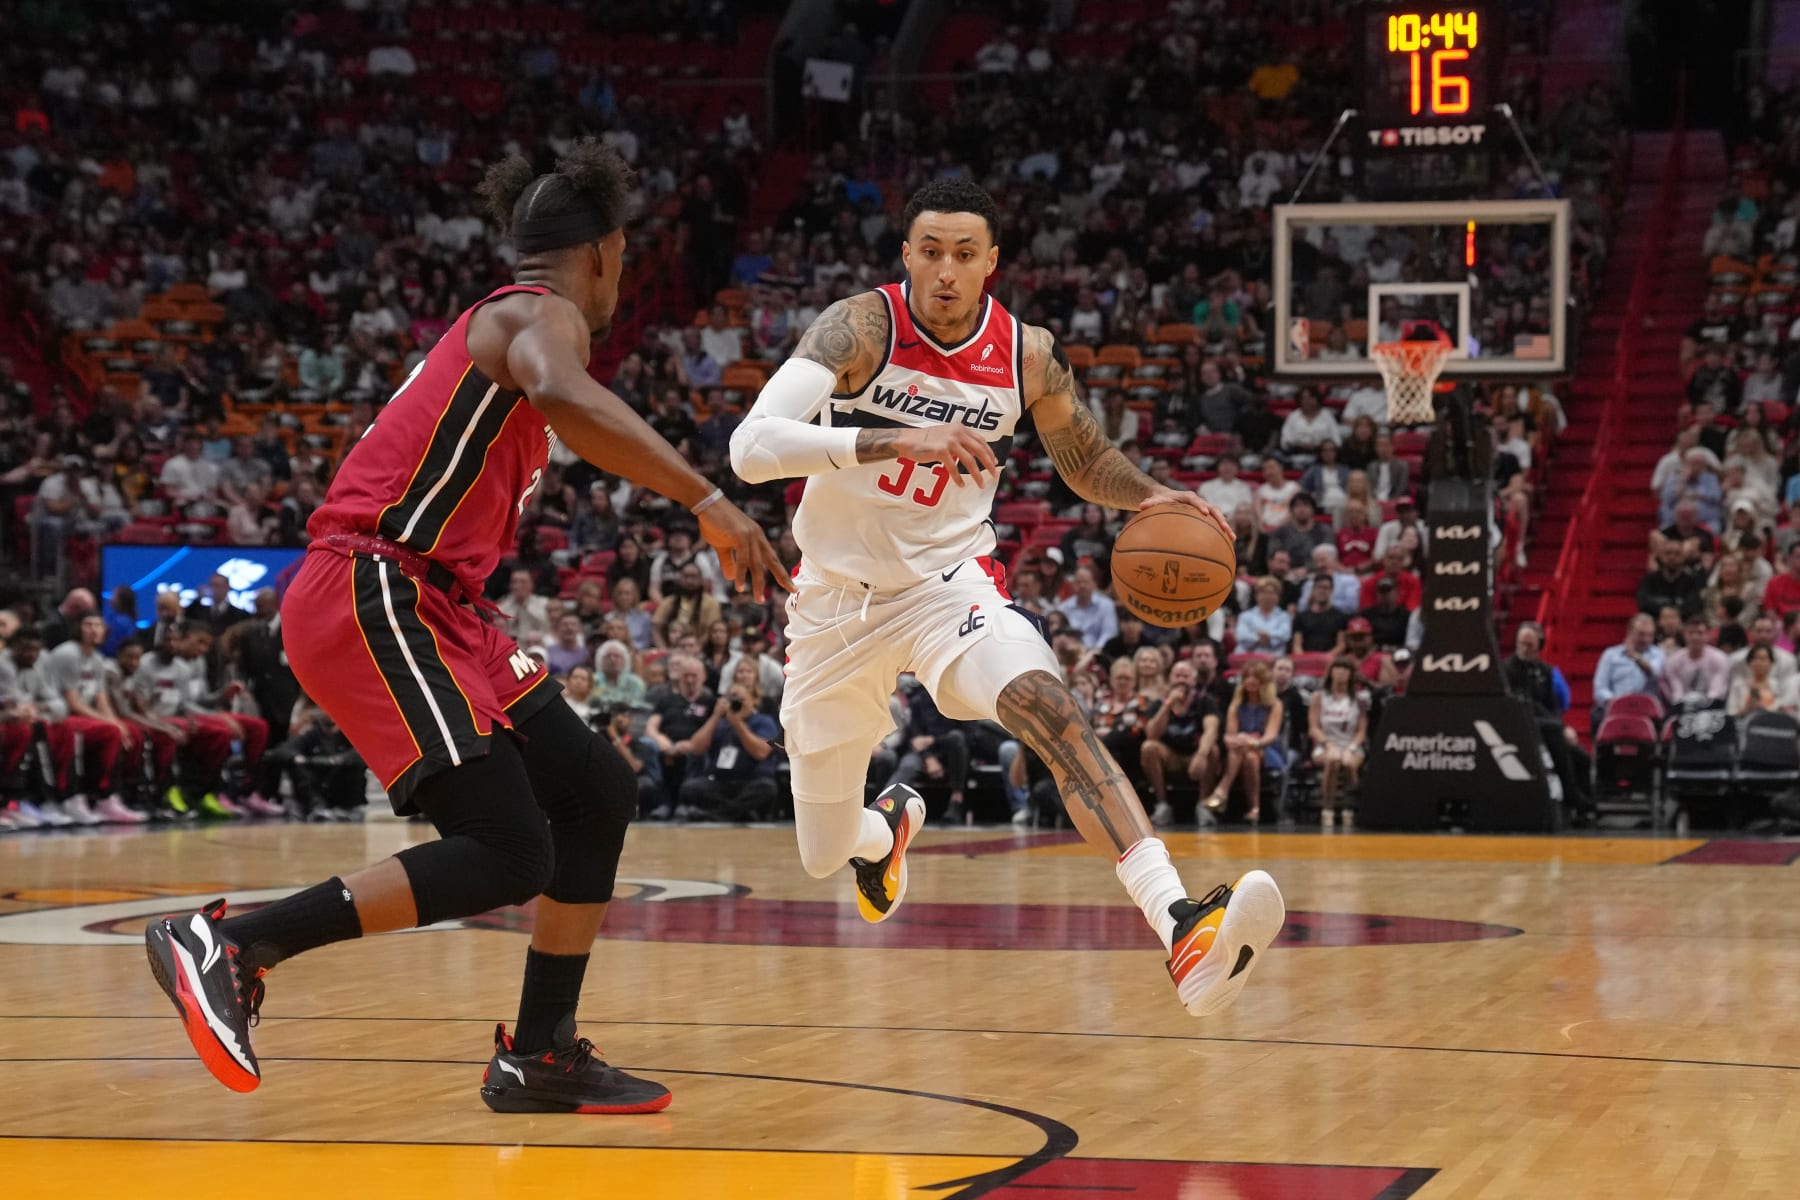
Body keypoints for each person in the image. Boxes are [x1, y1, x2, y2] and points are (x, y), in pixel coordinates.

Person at [144, 141, 789, 1112]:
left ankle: (539, 1052)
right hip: (377, 587)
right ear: (608, 251)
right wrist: (708, 498)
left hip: (440, 605)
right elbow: (568, 397)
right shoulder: (538, 314)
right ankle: (236, 944)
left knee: (596, 791)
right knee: (508, 847)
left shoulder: (504, 322)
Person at [728, 177, 1283, 1018]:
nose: (945, 270)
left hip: (949, 587)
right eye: (930, 251)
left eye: (964, 254)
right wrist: (898, 436)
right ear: (906, 254)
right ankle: (888, 834)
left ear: (991, 262)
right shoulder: (861, 326)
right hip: (834, 603)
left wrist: (1152, 497)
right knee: (822, 849)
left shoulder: (1027, 353)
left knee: (1046, 705)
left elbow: (1083, 459)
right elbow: (752, 449)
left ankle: (1179, 924)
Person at [673, 658, 782, 820]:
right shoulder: (721, 723)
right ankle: (739, 812)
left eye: (741, 700)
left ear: (752, 701)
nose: (736, 705)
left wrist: (737, 723)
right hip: (721, 781)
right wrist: (716, 716)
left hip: (750, 780)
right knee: (689, 788)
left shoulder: (763, 721)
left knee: (767, 788)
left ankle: (715, 815)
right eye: (732, 700)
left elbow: (761, 753)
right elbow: (696, 748)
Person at [1138, 659, 1220, 828]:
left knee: (1213, 750)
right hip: (1171, 756)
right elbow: (1152, 734)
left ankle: (1203, 805)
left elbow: (1211, 730)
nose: (1181, 680)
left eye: (1186, 676)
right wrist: (1168, 705)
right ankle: (1162, 805)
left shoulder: (1205, 701)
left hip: (1195, 754)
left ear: (1194, 680)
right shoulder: (1160, 703)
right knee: (1148, 748)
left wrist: (1201, 755)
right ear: (1169, 679)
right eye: (1177, 675)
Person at [1206, 659, 1285, 825]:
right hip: (1242, 750)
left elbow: (1270, 736)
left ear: (1264, 681)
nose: (1250, 681)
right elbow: (1229, 736)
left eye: (1255, 677)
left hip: (1267, 749)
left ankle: (1221, 792)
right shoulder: (1236, 705)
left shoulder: (1274, 705)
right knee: (1249, 757)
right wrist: (1240, 741)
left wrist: (1250, 741)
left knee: (1248, 752)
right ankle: (1254, 809)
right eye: (1247, 677)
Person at [1309, 658, 1367, 827]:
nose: (1341, 673)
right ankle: (1327, 809)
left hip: (1350, 743)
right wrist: (1328, 745)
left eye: (1345, 670)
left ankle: (1349, 808)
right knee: (1333, 760)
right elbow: (1314, 728)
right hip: (1326, 743)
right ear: (1331, 673)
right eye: (1337, 669)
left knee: (1348, 763)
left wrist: (1351, 748)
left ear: (1351, 675)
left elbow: (1361, 731)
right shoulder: (1319, 697)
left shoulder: (1360, 699)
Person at [1590, 614, 1666, 733]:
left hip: (1647, 710)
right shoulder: (1610, 655)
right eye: (1641, 634)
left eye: (1650, 635)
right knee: (1597, 714)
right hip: (1616, 708)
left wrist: (1635, 657)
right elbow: (1600, 688)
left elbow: (1655, 673)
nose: (1645, 639)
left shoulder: (1658, 654)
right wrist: (1616, 703)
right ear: (1630, 632)